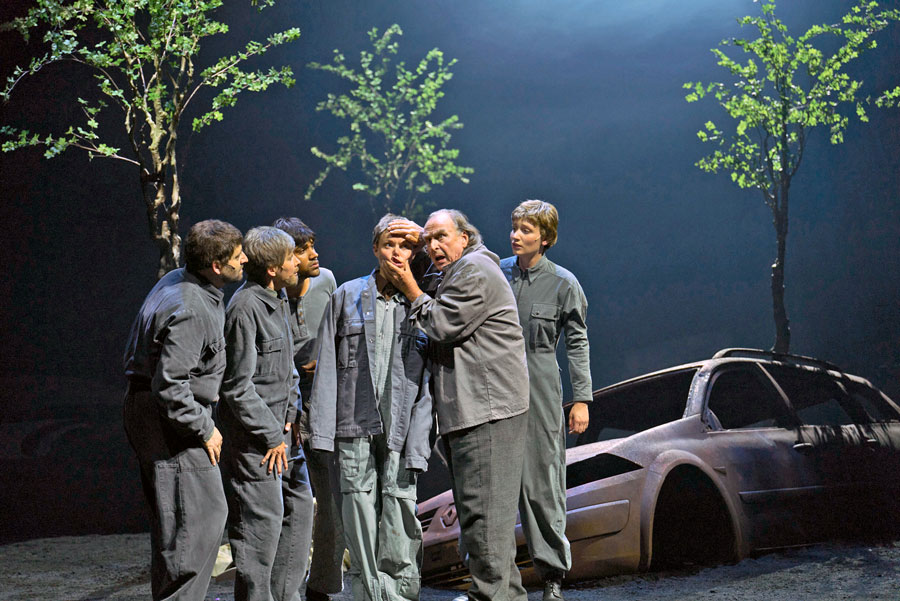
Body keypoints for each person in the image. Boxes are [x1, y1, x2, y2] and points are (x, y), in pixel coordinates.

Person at [381, 209, 529, 601]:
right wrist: (415, 243)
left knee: (485, 527)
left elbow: (442, 322)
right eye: (427, 240)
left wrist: (411, 287)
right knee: (481, 527)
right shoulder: (458, 270)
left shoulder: (475, 270)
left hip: (488, 412)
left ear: (465, 237)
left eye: (441, 236)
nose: (433, 247)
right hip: (474, 413)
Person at [309, 214, 433, 601]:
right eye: (389, 244)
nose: (397, 253)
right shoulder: (346, 295)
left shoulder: (423, 301)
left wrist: (423, 432)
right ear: (375, 248)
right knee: (358, 506)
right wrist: (321, 431)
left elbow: (430, 378)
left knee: (399, 505)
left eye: (407, 246)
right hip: (354, 421)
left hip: (402, 422)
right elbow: (327, 365)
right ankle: (367, 593)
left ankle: (398, 594)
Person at [123, 219, 246, 601]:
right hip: (170, 422)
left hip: (155, 413)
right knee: (194, 525)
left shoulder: (181, 280)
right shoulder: (191, 307)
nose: (244, 261)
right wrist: (203, 428)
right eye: (237, 257)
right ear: (215, 265)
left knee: (183, 525)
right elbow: (171, 384)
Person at [500, 200, 592, 601]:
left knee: (542, 482)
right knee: (495, 481)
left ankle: (552, 573)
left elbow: (577, 342)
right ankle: (492, 573)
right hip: (497, 379)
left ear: (546, 238)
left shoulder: (563, 283)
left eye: (526, 230)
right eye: (515, 228)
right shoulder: (496, 272)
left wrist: (581, 399)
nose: (516, 236)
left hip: (539, 380)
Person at [218, 226, 314, 601]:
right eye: (291, 257)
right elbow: (236, 387)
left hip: (286, 435)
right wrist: (272, 434)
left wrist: (292, 417)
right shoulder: (244, 309)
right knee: (261, 532)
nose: (297, 263)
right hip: (258, 443)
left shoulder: (279, 299)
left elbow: (286, 368)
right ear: (273, 268)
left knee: (300, 511)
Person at [272, 217, 343, 601]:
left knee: (330, 501)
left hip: (324, 405)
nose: (314, 254)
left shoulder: (327, 282)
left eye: (313, 245)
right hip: (285, 410)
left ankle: (322, 586)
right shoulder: (273, 294)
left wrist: (326, 360)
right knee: (290, 502)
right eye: (303, 249)